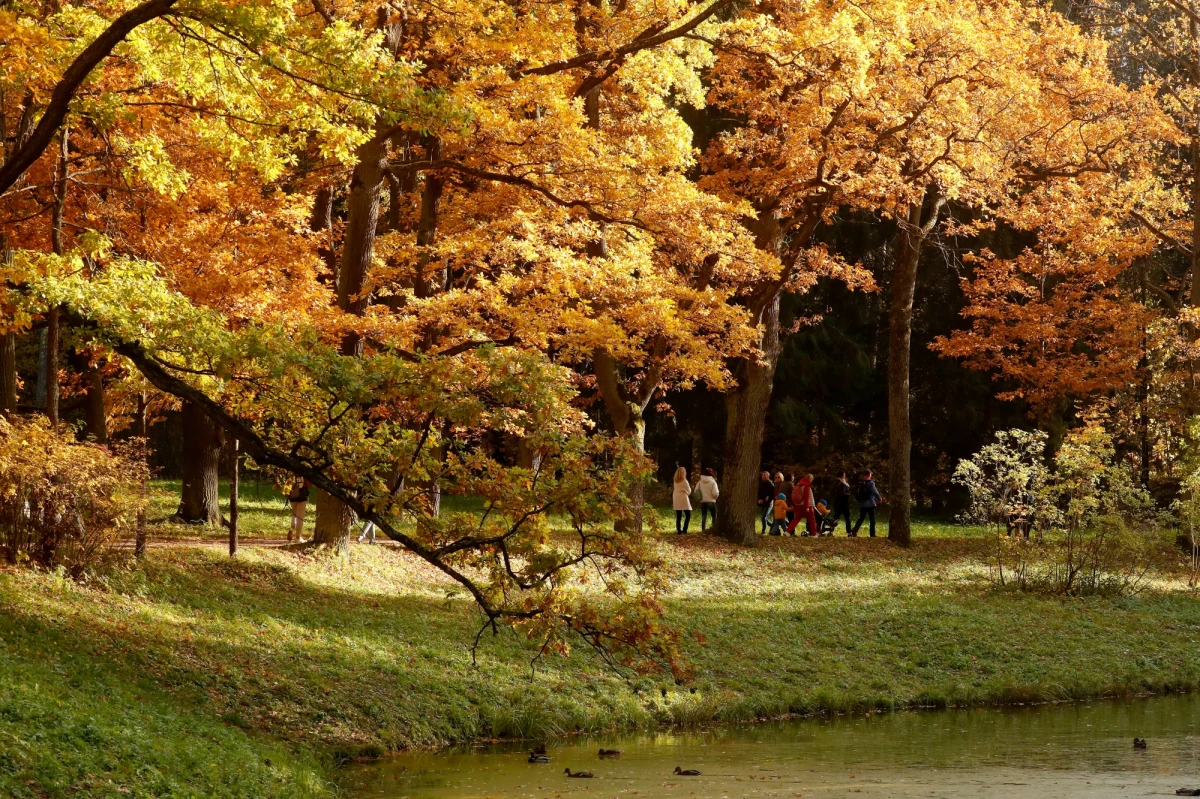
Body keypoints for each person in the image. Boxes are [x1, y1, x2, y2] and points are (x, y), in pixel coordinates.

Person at [852, 470, 883, 537]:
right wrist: (879, 498)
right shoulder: (870, 483)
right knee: (872, 519)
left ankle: (854, 531)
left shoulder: (860, 483)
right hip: (870, 503)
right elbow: (874, 491)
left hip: (862, 503)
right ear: (869, 475)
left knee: (861, 518)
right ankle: (872, 534)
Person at [287, 478, 311, 543]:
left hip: (292, 498)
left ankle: (292, 528)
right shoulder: (303, 475)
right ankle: (298, 537)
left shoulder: (291, 476)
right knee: (300, 517)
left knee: (294, 514)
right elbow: (309, 486)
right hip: (302, 498)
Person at [696, 467, 719, 532]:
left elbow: (696, 490)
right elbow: (715, 493)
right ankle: (714, 528)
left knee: (704, 516)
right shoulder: (713, 482)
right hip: (711, 501)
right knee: (714, 516)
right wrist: (715, 497)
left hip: (703, 501)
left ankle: (703, 529)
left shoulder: (700, 481)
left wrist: (700, 498)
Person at [831, 471, 853, 535]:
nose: (845, 476)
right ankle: (849, 532)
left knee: (836, 517)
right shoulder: (842, 483)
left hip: (837, 503)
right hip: (843, 503)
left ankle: (831, 530)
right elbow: (842, 493)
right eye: (844, 475)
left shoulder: (835, 483)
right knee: (847, 518)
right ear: (842, 475)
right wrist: (849, 495)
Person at [672, 466, 692, 534]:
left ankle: (679, 530)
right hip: (683, 499)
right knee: (688, 514)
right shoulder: (684, 481)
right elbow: (689, 491)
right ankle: (685, 529)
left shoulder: (675, 480)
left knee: (678, 515)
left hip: (676, 498)